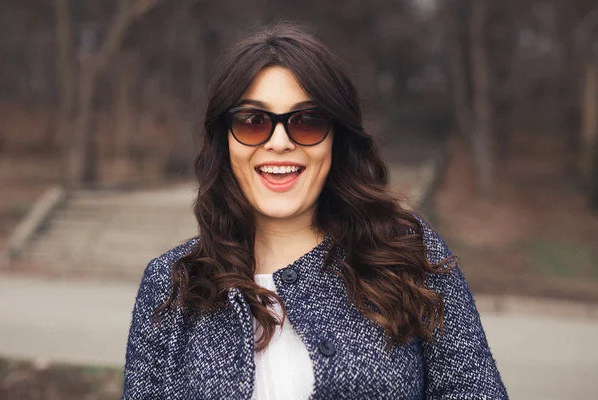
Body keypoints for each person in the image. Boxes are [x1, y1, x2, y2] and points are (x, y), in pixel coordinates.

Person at [121, 23, 508, 400]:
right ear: (225, 141)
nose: (279, 142)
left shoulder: (408, 255)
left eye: (306, 122)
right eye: (253, 122)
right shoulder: (172, 285)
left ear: (336, 138)